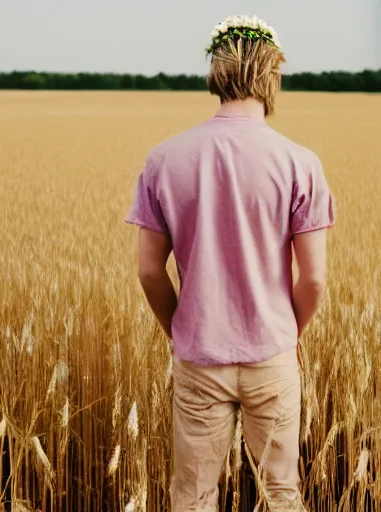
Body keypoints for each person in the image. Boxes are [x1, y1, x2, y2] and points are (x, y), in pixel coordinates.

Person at [124, 15, 335, 512]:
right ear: (270, 73)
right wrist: (289, 333)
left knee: (193, 498)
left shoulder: (164, 159)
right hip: (273, 356)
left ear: (216, 72)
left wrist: (181, 332)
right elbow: (315, 277)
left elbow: (150, 271)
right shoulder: (299, 162)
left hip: (199, 355)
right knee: (282, 496)